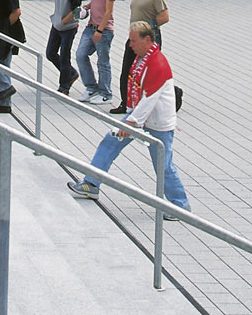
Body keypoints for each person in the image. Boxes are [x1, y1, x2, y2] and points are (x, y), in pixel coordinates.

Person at [67, 21, 190, 217]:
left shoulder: (157, 63)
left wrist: (131, 124)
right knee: (110, 142)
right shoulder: (142, 58)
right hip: (140, 117)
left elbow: (150, 98)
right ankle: (91, 183)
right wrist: (130, 121)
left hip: (158, 123)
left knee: (163, 166)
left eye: (133, 41)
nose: (130, 44)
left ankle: (181, 206)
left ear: (147, 40)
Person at [113, 0, 169, 114]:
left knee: (148, 72)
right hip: (134, 38)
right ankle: (125, 103)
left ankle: (165, 98)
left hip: (147, 39)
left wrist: (147, 29)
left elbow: (164, 16)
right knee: (127, 70)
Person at [76, 0, 115, 104]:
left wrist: (100, 30)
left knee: (103, 61)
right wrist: (87, 7)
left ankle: (106, 93)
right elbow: (96, 1)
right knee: (81, 55)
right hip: (90, 27)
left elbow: (108, 11)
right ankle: (91, 87)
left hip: (103, 30)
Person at [47, 0, 82, 94]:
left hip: (67, 27)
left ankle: (64, 86)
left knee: (64, 55)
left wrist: (65, 21)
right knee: (50, 53)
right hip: (56, 25)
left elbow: (77, 9)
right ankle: (71, 73)